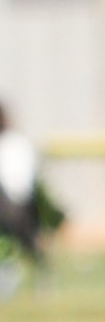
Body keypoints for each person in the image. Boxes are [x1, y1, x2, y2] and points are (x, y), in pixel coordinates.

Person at [0, 100, 51, 282]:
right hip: (27, 206)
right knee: (29, 243)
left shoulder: (11, 144)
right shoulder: (20, 142)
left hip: (10, 206)